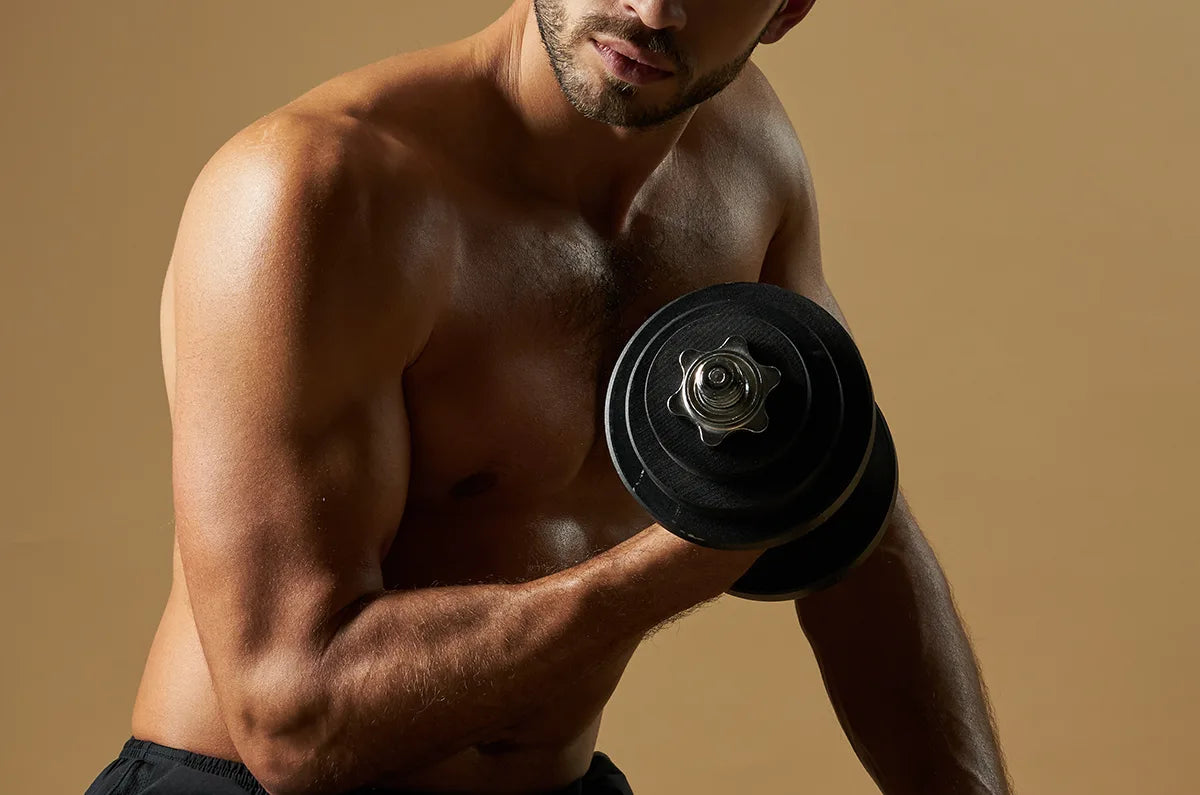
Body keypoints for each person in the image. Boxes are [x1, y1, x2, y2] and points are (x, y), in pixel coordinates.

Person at [85, 1, 1011, 793]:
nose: (652, 9)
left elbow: (851, 521)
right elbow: (292, 717)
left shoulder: (748, 165)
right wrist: (686, 557)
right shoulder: (318, 193)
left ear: (789, 9)